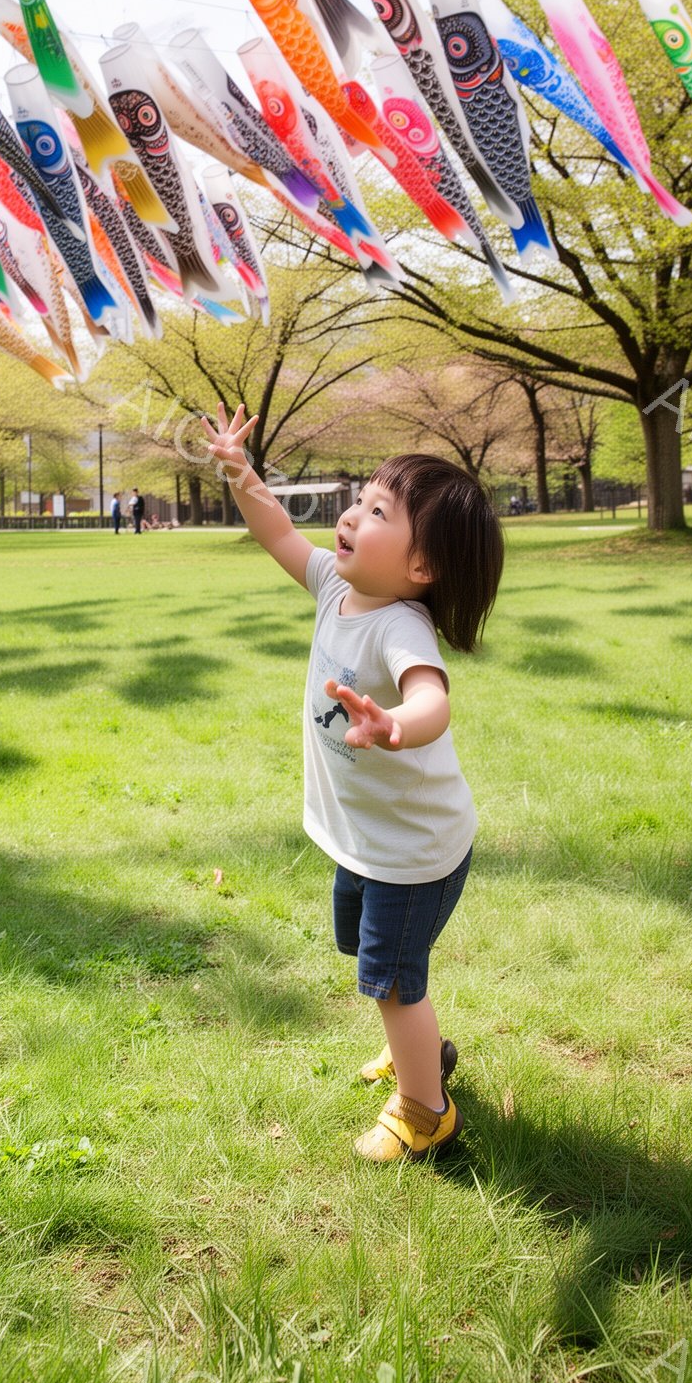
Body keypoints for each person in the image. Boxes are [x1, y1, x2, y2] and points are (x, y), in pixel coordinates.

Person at [202, 403, 504, 1165]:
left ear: (420, 568)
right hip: (368, 840)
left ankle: (425, 1112)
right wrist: (239, 469)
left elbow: (432, 696)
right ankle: (420, 1054)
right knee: (373, 963)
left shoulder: (400, 624)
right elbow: (275, 529)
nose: (352, 514)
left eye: (378, 511)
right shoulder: (337, 591)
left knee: (395, 982)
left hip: (412, 850)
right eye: (361, 498)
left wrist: (397, 724)